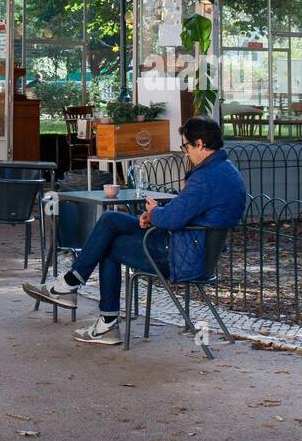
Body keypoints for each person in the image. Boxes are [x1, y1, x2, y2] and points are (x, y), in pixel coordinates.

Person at [23, 117, 247, 345]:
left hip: (182, 256)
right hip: (193, 247)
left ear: (200, 144)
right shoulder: (226, 171)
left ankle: (98, 316)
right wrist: (154, 216)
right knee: (110, 219)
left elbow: (172, 218)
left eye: (186, 147)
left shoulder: (206, 178)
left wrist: (157, 212)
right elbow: (187, 210)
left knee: (108, 246)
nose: (186, 153)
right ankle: (71, 286)